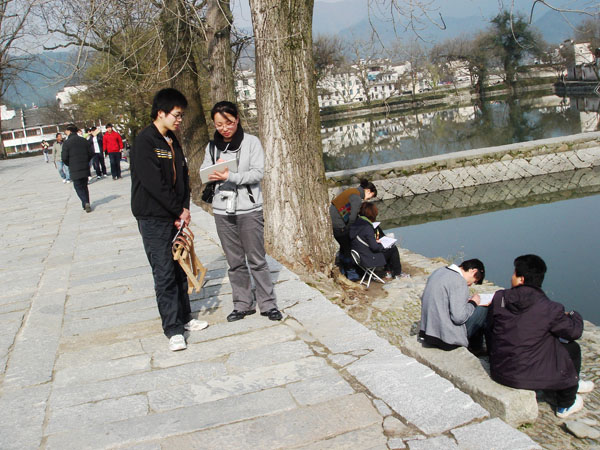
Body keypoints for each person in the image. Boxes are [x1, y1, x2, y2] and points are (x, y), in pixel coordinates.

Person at [131, 88, 208, 352]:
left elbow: (182, 178)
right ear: (160, 113)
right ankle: (172, 329)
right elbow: (154, 184)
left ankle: (185, 318)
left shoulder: (171, 140)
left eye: (182, 115)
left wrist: (184, 209)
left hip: (175, 215)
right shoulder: (145, 141)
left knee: (179, 268)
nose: (179, 120)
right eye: (176, 115)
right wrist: (177, 210)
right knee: (163, 271)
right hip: (153, 217)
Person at [201, 100, 282, 323]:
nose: (224, 128)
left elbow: (257, 173)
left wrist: (231, 176)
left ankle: (268, 303)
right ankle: (242, 303)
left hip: (249, 208)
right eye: (219, 124)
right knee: (234, 260)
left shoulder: (251, 142)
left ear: (236, 119)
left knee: (256, 258)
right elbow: (203, 172)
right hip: (222, 210)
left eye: (228, 123)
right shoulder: (211, 147)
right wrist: (213, 171)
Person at [486, 254, 594, 419]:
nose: (511, 277)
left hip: (499, 369)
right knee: (571, 347)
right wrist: (574, 315)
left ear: (521, 279)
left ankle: (573, 383)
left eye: (514, 273)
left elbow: (491, 326)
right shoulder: (549, 308)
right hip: (525, 377)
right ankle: (566, 402)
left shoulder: (500, 298)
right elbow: (574, 332)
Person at [419, 258, 487, 351]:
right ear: (473, 271)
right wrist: (473, 302)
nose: (471, 284)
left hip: (428, 332)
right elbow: (459, 317)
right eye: (474, 280)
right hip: (445, 338)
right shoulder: (459, 281)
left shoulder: (439, 271)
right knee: (483, 310)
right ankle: (475, 349)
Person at [329, 179, 377, 280]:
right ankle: (351, 274)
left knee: (343, 248)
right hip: (339, 226)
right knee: (348, 250)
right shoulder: (356, 197)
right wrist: (350, 230)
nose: (367, 200)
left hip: (334, 223)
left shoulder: (351, 191)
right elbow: (352, 217)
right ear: (368, 191)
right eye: (370, 197)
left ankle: (343, 271)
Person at [349, 202, 403, 279]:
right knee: (393, 249)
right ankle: (397, 274)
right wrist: (383, 245)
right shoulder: (367, 227)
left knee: (387, 249)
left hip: (359, 256)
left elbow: (364, 239)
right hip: (367, 259)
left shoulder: (357, 222)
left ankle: (388, 271)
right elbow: (375, 248)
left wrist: (375, 241)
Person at [62, 124, 94, 212]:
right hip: (84, 167)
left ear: (70, 131)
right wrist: (86, 160)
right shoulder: (83, 140)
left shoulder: (67, 143)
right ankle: (86, 202)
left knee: (78, 186)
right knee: (84, 186)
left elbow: (64, 157)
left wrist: (69, 164)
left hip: (74, 168)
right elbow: (91, 152)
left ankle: (85, 202)